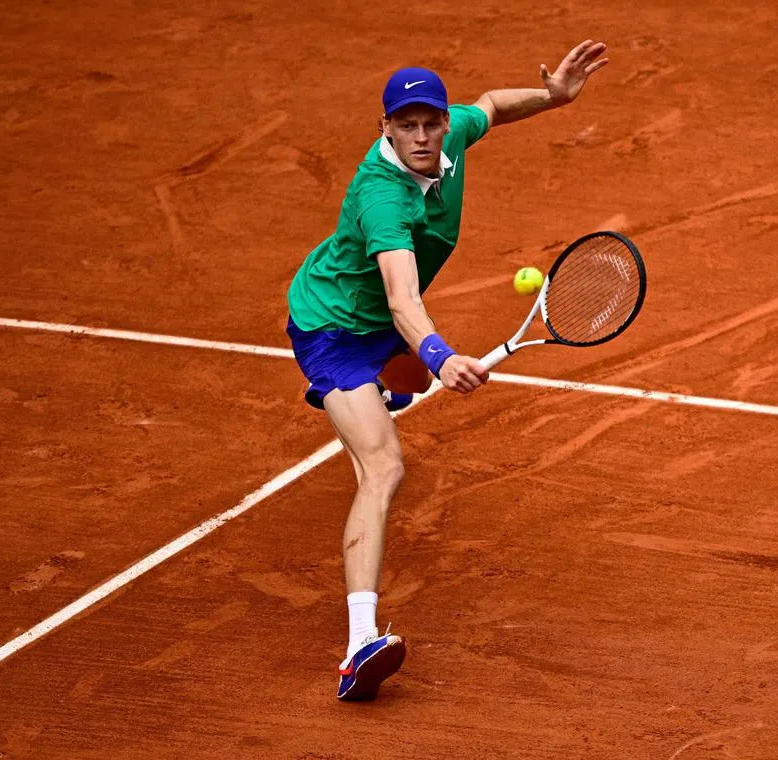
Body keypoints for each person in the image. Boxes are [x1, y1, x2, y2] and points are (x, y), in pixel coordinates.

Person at [285, 41, 609, 700]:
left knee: (401, 384)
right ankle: (357, 647)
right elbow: (403, 300)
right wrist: (441, 356)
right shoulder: (382, 199)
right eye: (406, 125)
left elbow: (490, 105)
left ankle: (386, 386)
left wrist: (552, 96)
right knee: (383, 467)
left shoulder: (450, 135)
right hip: (334, 327)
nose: (422, 136)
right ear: (385, 128)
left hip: (382, 324)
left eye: (430, 122)